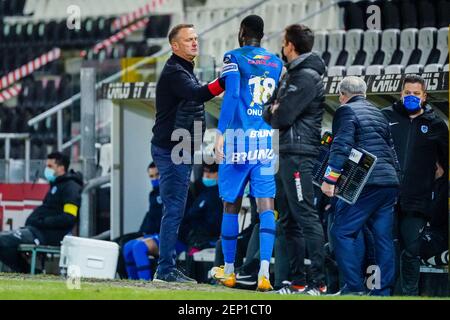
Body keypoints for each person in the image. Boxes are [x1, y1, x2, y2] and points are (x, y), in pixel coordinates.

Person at [211, 15, 283, 292]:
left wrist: (219, 133)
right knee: (267, 207)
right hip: (265, 142)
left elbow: (230, 97)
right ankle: (265, 272)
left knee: (231, 204)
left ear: (242, 32)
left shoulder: (233, 56)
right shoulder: (276, 63)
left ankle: (229, 270)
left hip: (238, 142)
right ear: (262, 35)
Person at [151, 23, 225, 283]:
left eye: (196, 38)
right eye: (188, 39)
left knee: (175, 210)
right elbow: (197, 94)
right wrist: (223, 80)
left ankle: (166, 267)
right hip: (173, 151)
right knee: (173, 210)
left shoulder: (184, 68)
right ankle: (165, 270)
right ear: (174, 46)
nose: (195, 42)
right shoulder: (175, 71)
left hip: (179, 149)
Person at [263, 24, 327, 295]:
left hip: (299, 154)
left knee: (306, 216)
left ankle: (319, 282)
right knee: (288, 219)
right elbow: (270, 109)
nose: (282, 46)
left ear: (289, 44)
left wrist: (275, 110)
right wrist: (273, 109)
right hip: (286, 152)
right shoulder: (293, 74)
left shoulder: (306, 77)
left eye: (283, 41)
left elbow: (281, 116)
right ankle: (297, 280)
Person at [320, 76, 400, 296]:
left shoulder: (345, 111)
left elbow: (341, 144)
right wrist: (396, 177)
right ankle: (382, 291)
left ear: (342, 95)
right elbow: (391, 149)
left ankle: (353, 288)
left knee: (341, 232)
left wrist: (330, 179)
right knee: (383, 238)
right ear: (364, 93)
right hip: (388, 182)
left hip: (367, 182)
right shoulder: (379, 112)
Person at [381, 74, 448, 296]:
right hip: (386, 196)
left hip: (418, 199)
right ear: (401, 94)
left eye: (416, 94)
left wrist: (434, 190)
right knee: (386, 248)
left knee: (411, 250)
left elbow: (445, 167)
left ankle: (408, 294)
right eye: (407, 93)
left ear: (424, 96)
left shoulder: (436, 125)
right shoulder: (386, 117)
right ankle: (383, 292)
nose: (411, 97)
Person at [0, 152, 82, 272]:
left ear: (61, 168)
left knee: (2, 241)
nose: (46, 170)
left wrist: (43, 222)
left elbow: (69, 217)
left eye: (50, 166)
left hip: (46, 235)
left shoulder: (71, 187)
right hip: (35, 231)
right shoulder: (56, 185)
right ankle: (27, 271)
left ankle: (27, 272)